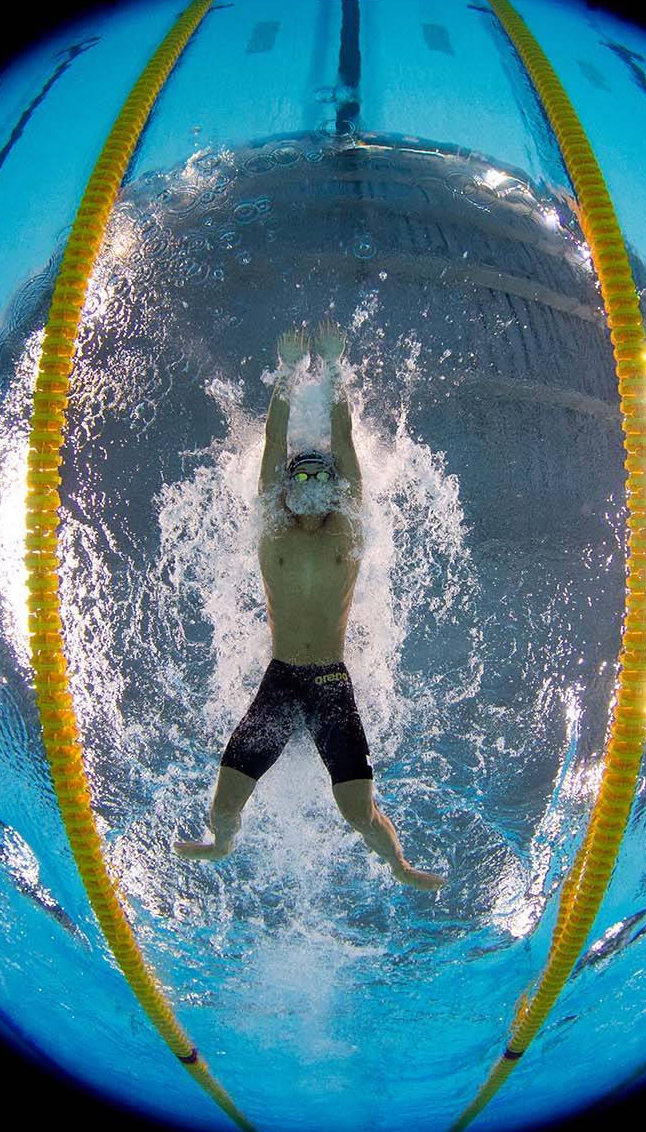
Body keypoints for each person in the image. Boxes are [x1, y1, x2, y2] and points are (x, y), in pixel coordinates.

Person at [174, 319, 444, 890]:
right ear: (290, 487)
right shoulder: (272, 533)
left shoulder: (348, 535)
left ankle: (398, 864)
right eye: (304, 474)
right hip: (281, 682)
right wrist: (289, 374)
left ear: (336, 484)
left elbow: (345, 448)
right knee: (224, 804)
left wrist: (336, 367)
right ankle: (222, 845)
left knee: (358, 813)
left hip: (328, 684)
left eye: (324, 474)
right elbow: (275, 449)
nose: (314, 480)